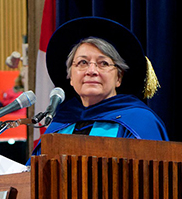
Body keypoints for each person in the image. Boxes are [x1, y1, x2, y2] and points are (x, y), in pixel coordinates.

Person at [32, 17, 168, 159]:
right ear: (71, 77)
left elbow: (152, 176)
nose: (91, 71)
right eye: (82, 62)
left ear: (119, 78)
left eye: (103, 63)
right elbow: (32, 175)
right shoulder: (59, 124)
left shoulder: (140, 121)